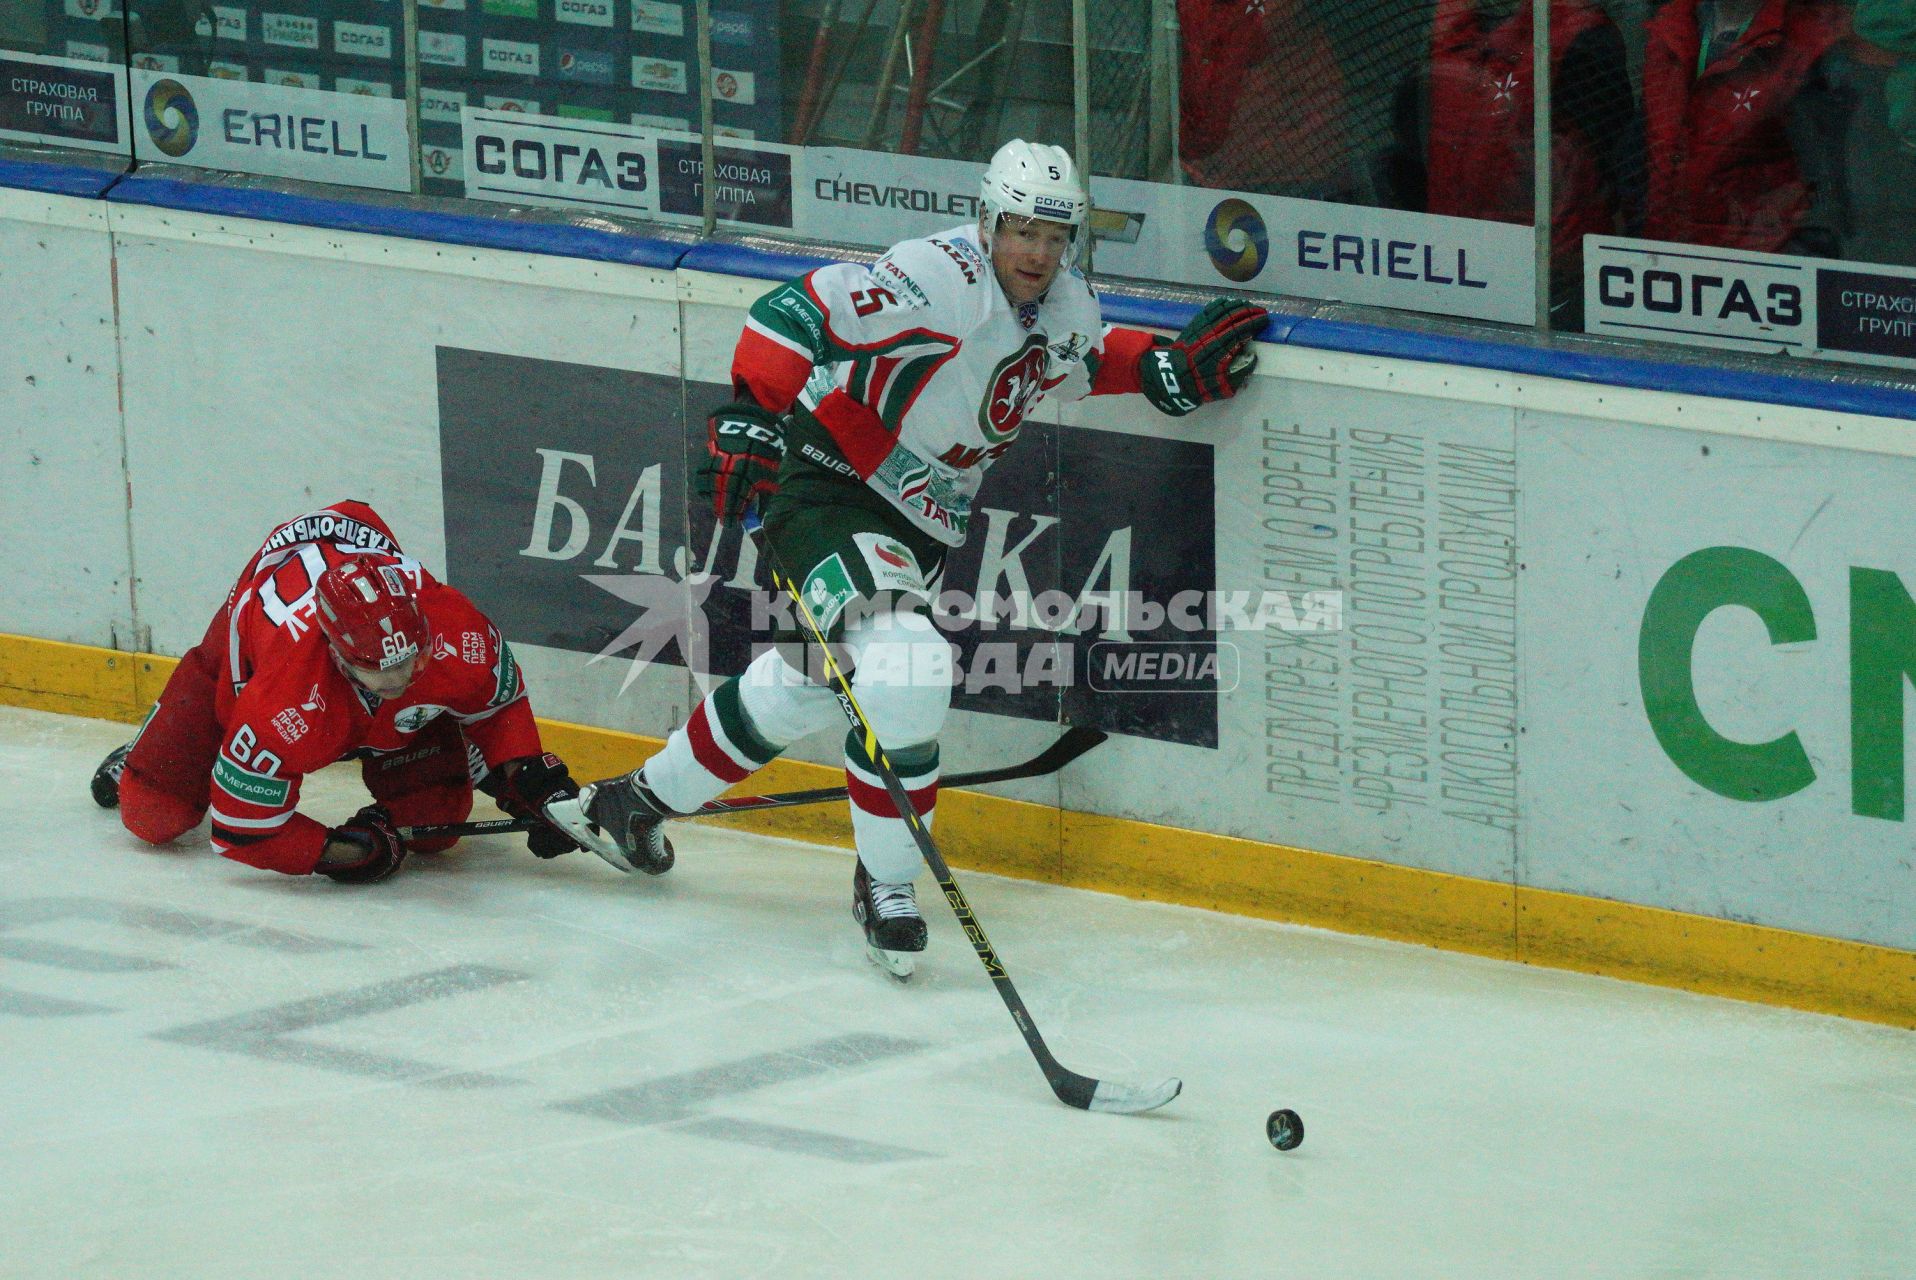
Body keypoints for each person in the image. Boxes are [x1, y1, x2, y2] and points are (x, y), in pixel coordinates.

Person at [545, 140, 1268, 975]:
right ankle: (888, 884)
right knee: (910, 665)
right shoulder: (935, 278)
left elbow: (1076, 360)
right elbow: (792, 311)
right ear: (990, 219)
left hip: (919, 527)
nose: (1036, 252)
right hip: (828, 481)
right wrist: (751, 411)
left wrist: (1164, 369)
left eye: (1054, 235)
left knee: (814, 687)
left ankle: (628, 805)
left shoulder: (1065, 303)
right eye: (1022, 230)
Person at [90, 501, 586, 883]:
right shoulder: (284, 697)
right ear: (336, 653)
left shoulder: (458, 630)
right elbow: (243, 830)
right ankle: (142, 751)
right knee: (154, 814)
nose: (401, 682)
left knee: (436, 819)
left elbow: (497, 707)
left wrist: (528, 782)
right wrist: (341, 852)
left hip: (352, 612)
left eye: (413, 660)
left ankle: (471, 770)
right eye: (379, 672)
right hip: (243, 654)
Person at [1377, 0, 1643, 329]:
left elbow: (1614, 181)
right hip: (1452, 280)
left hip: (1551, 292)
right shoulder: (1448, 32)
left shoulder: (1582, 41)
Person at [1640, 0, 1853, 255]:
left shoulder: (1811, 41)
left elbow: (1829, 187)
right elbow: (1644, 148)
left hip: (1762, 264)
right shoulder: (1671, 25)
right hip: (1667, 258)